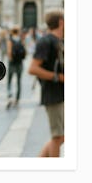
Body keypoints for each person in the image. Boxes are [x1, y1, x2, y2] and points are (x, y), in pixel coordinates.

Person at [28, 10, 64, 157]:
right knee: (58, 137)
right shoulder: (45, 41)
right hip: (53, 94)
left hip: (61, 93)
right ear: (61, 22)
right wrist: (58, 77)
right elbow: (32, 68)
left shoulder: (60, 41)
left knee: (61, 136)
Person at [6, 26, 26, 108]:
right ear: (18, 32)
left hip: (12, 63)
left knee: (9, 80)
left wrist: (10, 59)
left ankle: (10, 96)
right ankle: (17, 99)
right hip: (19, 63)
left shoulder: (10, 40)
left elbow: (9, 51)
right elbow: (25, 51)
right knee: (18, 81)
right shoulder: (21, 40)